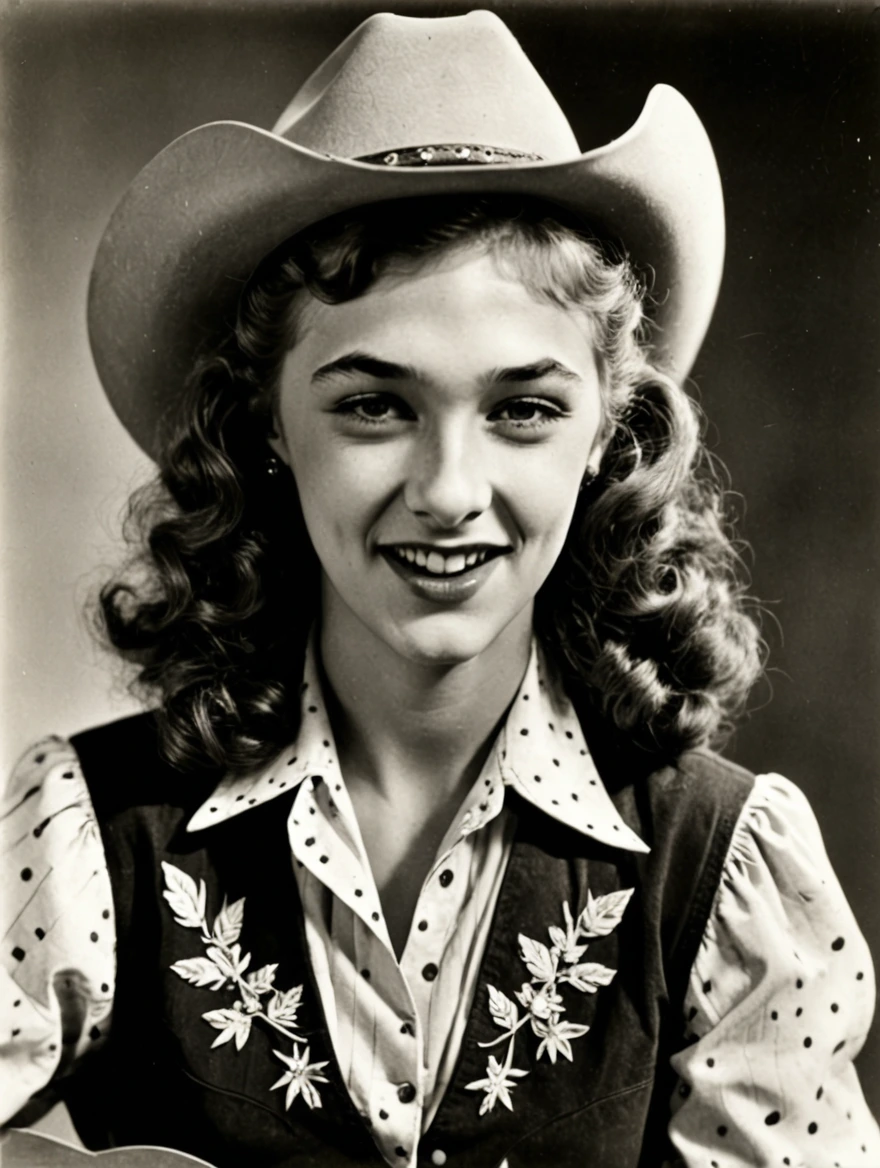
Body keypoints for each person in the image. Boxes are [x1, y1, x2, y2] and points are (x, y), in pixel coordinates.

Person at [1, 10, 877, 1167]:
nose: (449, 490)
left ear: (604, 437)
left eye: (521, 409)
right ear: (268, 424)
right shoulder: (89, 834)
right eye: (373, 404)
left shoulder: (720, 864)